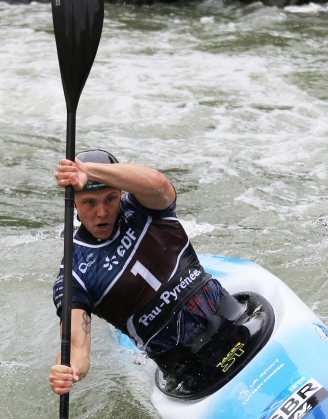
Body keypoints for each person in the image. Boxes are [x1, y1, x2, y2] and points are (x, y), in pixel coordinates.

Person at [48, 149, 228, 395]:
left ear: (120, 192)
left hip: (233, 318)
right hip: (188, 368)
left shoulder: (145, 208)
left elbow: (158, 183)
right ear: (74, 205)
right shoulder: (74, 274)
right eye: (89, 202)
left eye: (110, 199)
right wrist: (67, 369)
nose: (102, 212)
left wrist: (88, 171)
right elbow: (77, 348)